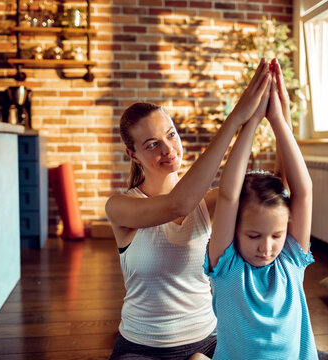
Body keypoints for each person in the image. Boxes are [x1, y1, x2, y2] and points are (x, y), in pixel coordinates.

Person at [105, 59, 272, 359]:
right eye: (152, 144)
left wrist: (262, 117)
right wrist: (234, 119)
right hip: (141, 348)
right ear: (133, 154)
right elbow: (177, 204)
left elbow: (261, 190)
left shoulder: (209, 202)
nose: (168, 149)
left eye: (171, 134)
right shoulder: (121, 207)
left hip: (207, 341)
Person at [204, 58, 320, 359]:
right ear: (235, 230)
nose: (267, 247)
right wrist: (253, 120)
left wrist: (280, 120)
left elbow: (303, 192)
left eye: (276, 236)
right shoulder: (226, 267)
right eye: (254, 236)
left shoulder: (291, 261)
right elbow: (229, 195)